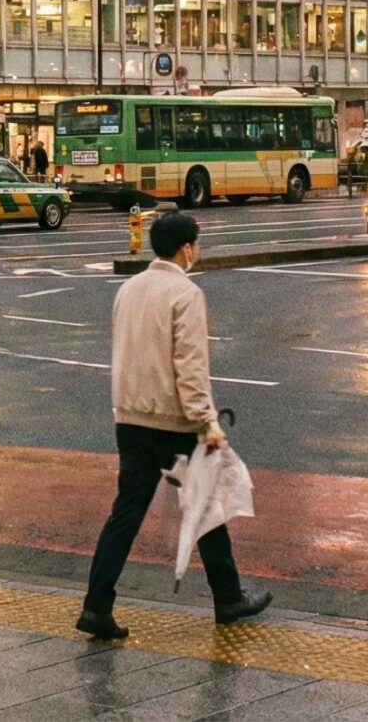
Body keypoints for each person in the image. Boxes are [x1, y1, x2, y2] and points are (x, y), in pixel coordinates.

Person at [77, 210, 270, 641]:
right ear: (187, 248)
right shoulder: (186, 293)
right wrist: (207, 421)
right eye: (195, 244)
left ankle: (96, 605)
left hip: (130, 418)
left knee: (125, 515)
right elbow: (190, 365)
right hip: (175, 422)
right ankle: (228, 599)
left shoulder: (128, 289)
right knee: (205, 508)